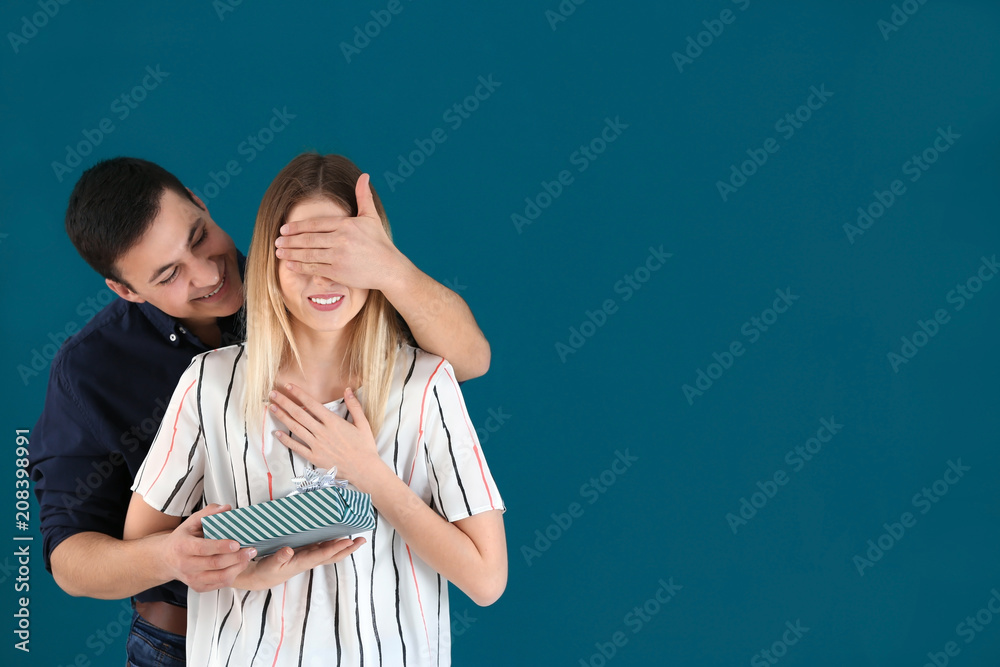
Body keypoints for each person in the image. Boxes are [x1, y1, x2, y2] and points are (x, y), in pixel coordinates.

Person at [28, 156, 492, 666]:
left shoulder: (315, 279)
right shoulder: (96, 371)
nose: (208, 274)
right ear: (126, 290)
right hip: (189, 641)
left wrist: (390, 266)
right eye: (169, 274)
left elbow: (467, 359)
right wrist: (173, 558)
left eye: (199, 236)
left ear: (201, 204)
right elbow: (69, 556)